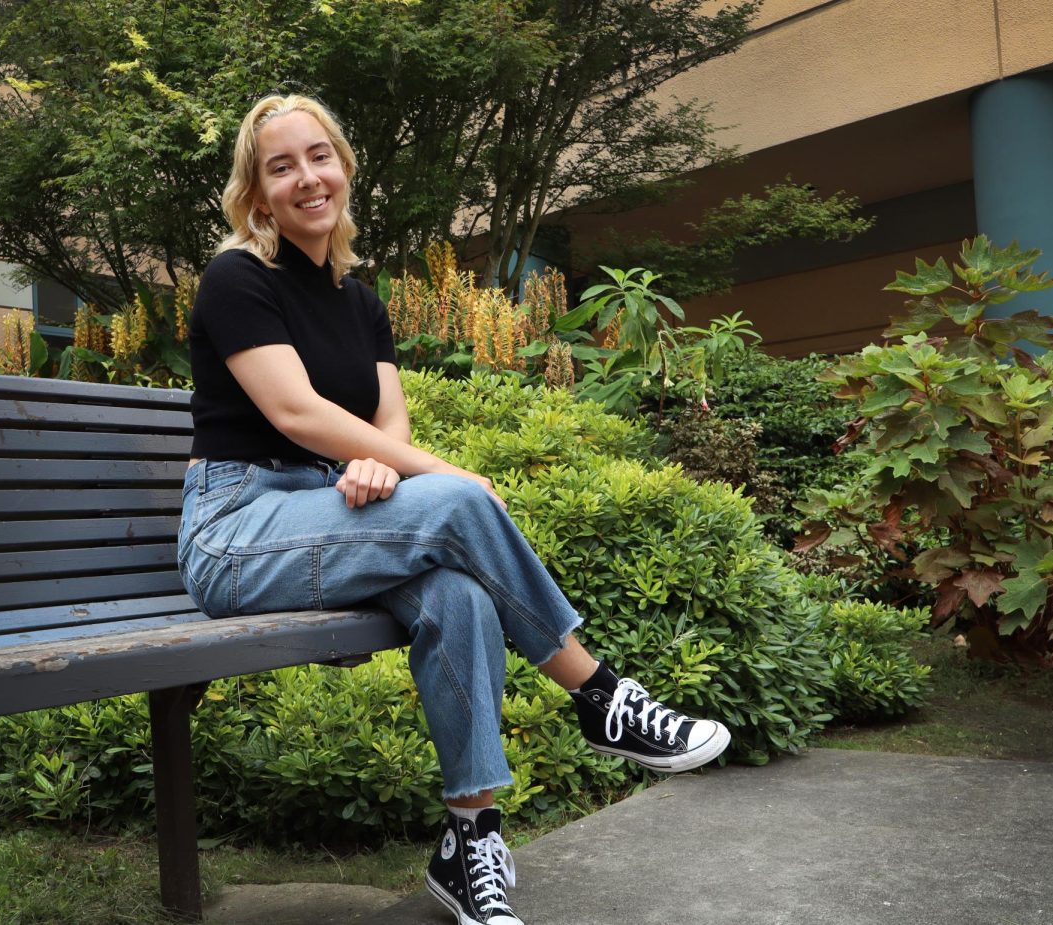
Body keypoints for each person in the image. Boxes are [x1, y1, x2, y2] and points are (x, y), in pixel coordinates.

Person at [177, 93, 731, 925]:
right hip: (237, 528)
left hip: (323, 509)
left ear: (344, 169)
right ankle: (602, 698)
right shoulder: (237, 278)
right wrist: (439, 474)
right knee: (458, 504)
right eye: (281, 166)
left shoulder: (359, 298)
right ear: (255, 193)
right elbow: (295, 413)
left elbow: (384, 418)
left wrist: (378, 460)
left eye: (318, 155)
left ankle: (469, 846)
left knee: (461, 594)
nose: (306, 177)